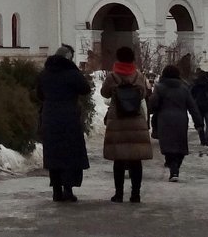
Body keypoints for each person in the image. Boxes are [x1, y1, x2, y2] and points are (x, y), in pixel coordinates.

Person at [36, 43, 92, 202]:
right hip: (69, 117)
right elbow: (85, 89)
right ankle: (68, 188)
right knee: (69, 153)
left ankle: (56, 190)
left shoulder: (44, 74)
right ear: (69, 58)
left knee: (53, 152)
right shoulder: (72, 74)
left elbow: (39, 94)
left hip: (49, 116)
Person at [100, 46, 153, 203]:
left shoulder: (112, 76)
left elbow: (104, 93)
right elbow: (144, 93)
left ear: (118, 58)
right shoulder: (139, 76)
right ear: (133, 59)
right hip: (136, 120)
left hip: (118, 120)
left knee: (119, 159)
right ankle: (135, 194)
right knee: (136, 159)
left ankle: (119, 194)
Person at [149, 65, 203, 181]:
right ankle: (175, 168)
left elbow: (153, 103)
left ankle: (172, 167)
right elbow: (192, 106)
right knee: (180, 147)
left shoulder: (159, 87)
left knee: (168, 146)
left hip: (164, 120)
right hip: (181, 120)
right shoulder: (184, 88)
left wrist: (149, 111)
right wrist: (198, 123)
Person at [190, 70, 208, 146]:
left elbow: (191, 95)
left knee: (200, 123)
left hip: (198, 106)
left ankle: (202, 138)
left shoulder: (195, 85)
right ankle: (207, 139)